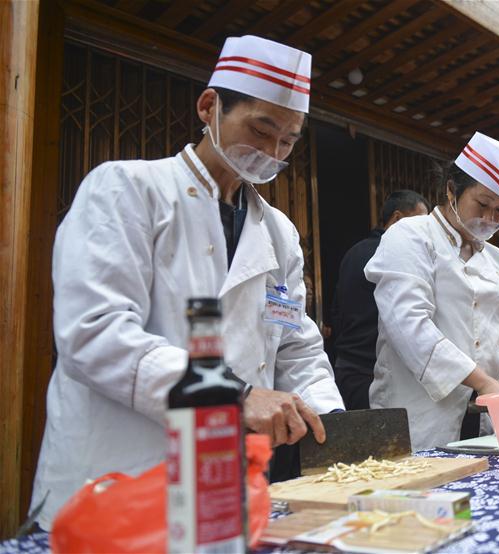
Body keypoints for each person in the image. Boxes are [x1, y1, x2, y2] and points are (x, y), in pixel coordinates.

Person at [31, 36, 345, 529]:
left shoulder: (279, 233)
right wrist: (235, 395)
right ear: (209, 107)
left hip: (222, 483)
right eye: (261, 129)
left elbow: (294, 344)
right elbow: (95, 332)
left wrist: (335, 426)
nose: (272, 151)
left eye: (288, 141)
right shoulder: (127, 190)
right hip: (120, 474)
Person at [365, 132, 499, 450]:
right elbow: (409, 325)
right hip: (419, 416)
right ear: (451, 191)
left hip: (488, 421)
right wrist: (486, 384)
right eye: (482, 204)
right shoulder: (410, 236)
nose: (489, 218)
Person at [331, 190, 429, 410]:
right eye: (420, 223)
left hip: (347, 367)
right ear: (397, 218)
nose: (424, 233)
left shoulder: (354, 251)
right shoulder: (395, 255)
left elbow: (336, 311)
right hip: (374, 371)